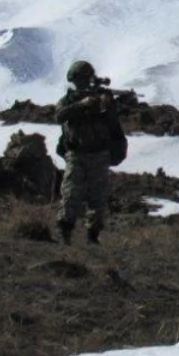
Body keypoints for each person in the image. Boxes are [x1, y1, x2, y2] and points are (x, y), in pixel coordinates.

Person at [54, 60, 126, 245]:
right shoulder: (68, 100)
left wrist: (106, 105)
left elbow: (114, 125)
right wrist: (82, 104)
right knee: (70, 194)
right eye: (81, 80)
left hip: (99, 154)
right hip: (76, 154)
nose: (84, 83)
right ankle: (65, 232)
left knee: (98, 198)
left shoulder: (101, 99)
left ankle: (93, 236)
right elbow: (59, 116)